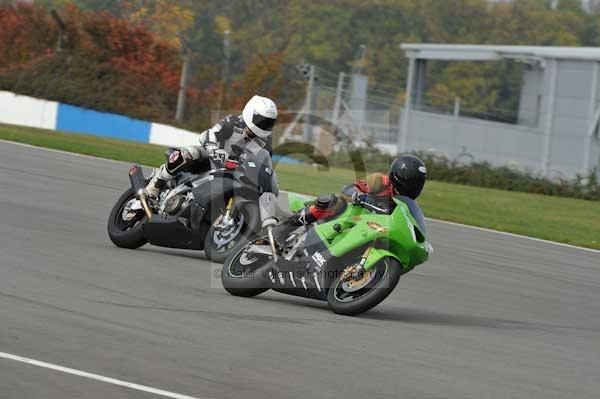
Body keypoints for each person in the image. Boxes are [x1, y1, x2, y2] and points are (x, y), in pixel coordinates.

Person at [145, 95, 280, 229]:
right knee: (191, 153)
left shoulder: (266, 141)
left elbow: (263, 164)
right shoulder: (232, 122)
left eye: (268, 122)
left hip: (237, 172)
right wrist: (215, 151)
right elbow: (208, 135)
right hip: (212, 160)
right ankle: (157, 183)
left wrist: (270, 181)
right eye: (261, 121)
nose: (264, 125)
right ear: (251, 113)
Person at [274, 155, 428, 240]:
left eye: (417, 184)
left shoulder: (406, 205)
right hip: (352, 214)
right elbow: (347, 189)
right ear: (398, 177)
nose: (414, 187)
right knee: (336, 202)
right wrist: (361, 197)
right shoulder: (380, 181)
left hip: (369, 228)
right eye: (411, 182)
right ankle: (288, 225)